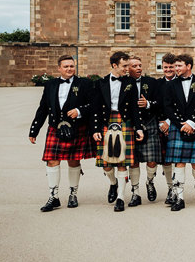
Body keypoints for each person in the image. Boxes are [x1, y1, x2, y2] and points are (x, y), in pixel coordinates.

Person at [28, 55, 95, 211]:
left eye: (71, 66)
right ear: (59, 68)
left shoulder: (84, 83)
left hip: (76, 128)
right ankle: (54, 197)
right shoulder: (50, 84)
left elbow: (94, 105)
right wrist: (34, 130)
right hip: (55, 127)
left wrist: (79, 111)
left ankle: (73, 194)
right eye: (66, 66)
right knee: (51, 160)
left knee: (73, 161)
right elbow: (43, 108)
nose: (69, 69)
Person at [92, 51, 145, 212]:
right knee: (107, 164)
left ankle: (121, 197)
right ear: (114, 65)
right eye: (124, 66)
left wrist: (138, 128)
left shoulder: (130, 82)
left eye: (128, 66)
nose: (127, 69)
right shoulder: (100, 83)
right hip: (106, 122)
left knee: (122, 162)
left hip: (125, 121)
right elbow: (95, 108)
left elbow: (135, 108)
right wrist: (96, 128)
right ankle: (113, 183)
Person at [163, 54, 195, 211]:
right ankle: (179, 197)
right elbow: (168, 107)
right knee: (179, 162)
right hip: (178, 126)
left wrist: (192, 122)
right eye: (175, 66)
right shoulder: (171, 85)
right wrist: (181, 124)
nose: (176, 69)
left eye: (179, 66)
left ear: (189, 66)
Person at [127, 55, 162, 206]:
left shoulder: (151, 82)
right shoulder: (124, 83)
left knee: (152, 160)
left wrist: (148, 104)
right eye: (134, 66)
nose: (139, 68)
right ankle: (135, 192)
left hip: (149, 122)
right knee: (133, 161)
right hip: (129, 125)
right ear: (127, 68)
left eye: (140, 65)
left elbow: (160, 102)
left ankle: (150, 181)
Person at [156, 53, 178, 205]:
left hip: (176, 124)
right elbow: (154, 105)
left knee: (178, 160)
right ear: (161, 67)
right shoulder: (156, 84)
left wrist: (169, 122)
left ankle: (177, 189)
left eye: (171, 67)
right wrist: (160, 123)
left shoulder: (181, 82)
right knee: (166, 160)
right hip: (160, 125)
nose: (168, 70)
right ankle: (171, 188)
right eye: (165, 67)